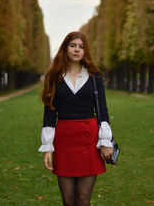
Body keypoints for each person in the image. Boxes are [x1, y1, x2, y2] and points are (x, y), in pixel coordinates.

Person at [38, 31, 113, 206]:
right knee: (68, 200)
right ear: (65, 48)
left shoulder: (95, 76)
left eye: (81, 46)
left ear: (85, 51)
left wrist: (105, 141)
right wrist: (48, 148)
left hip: (89, 138)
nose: (77, 50)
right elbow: (49, 113)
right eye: (73, 46)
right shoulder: (53, 76)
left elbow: (102, 110)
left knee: (82, 199)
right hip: (64, 140)